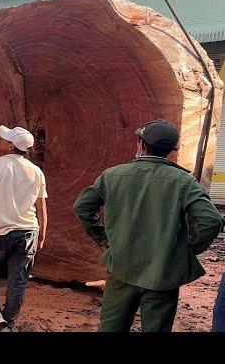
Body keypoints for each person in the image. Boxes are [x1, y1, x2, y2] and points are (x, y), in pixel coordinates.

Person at [73, 119, 224, 332]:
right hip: (162, 273)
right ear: (172, 150)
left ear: (141, 144)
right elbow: (212, 220)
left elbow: (82, 207)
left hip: (121, 268)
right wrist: (187, 250)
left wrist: (103, 239)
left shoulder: (113, 175)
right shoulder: (184, 181)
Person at [0, 125, 48, 332]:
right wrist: (41, 234)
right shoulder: (36, 171)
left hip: (0, 231)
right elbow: (41, 206)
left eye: (5, 139)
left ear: (10, 145)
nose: (2, 140)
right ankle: (9, 324)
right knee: (19, 280)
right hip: (28, 232)